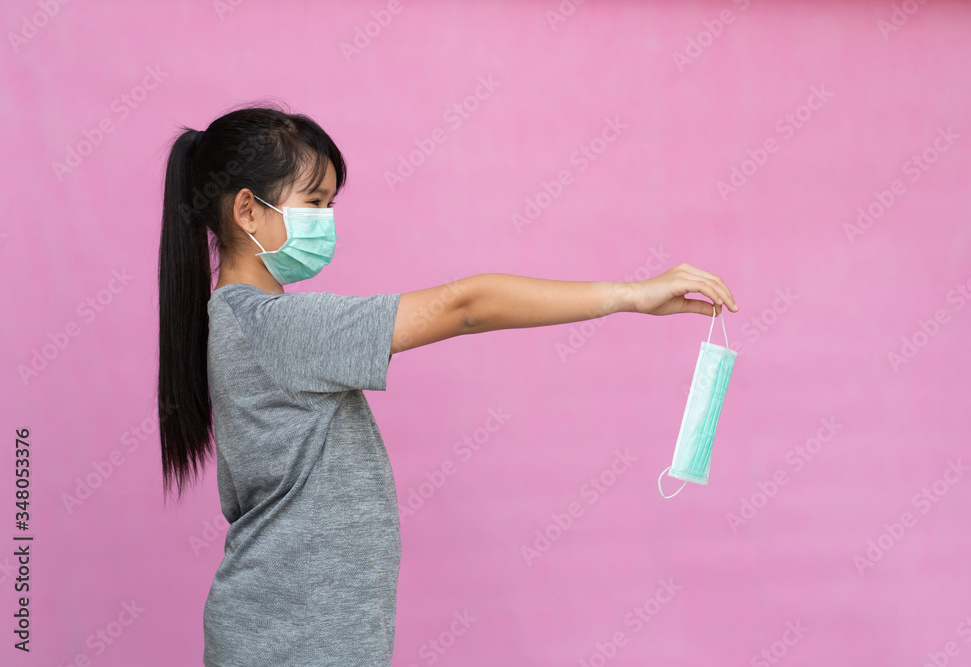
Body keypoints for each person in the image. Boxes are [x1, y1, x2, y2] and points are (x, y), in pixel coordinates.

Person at [156, 103, 738, 667]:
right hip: (292, 643)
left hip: (291, 633)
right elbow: (467, 306)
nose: (326, 221)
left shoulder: (240, 322)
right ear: (247, 211)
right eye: (313, 203)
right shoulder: (277, 327)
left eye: (330, 204)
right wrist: (631, 294)